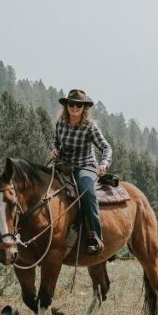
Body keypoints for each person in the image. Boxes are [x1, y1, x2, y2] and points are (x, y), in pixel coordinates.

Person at [49, 89, 112, 255]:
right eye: (72, 104)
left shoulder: (90, 127)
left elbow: (106, 147)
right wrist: (54, 150)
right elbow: (54, 141)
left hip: (85, 166)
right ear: (66, 106)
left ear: (84, 108)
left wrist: (104, 164)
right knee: (40, 183)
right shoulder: (60, 123)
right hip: (63, 166)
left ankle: (95, 237)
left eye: (79, 105)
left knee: (87, 192)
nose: (75, 107)